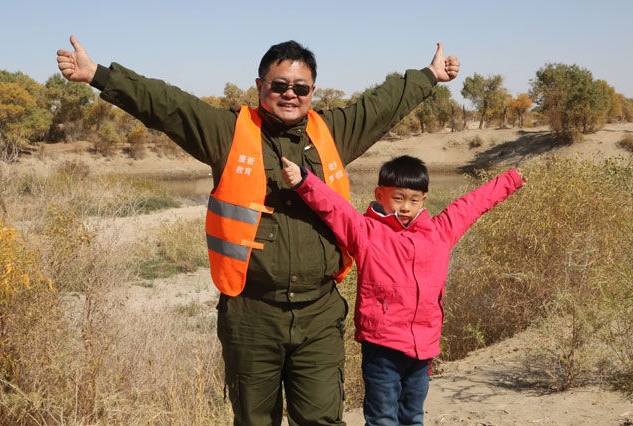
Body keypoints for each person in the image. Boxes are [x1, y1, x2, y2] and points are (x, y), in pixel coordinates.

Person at [56, 35, 460, 425]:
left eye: (300, 87)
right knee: (254, 420)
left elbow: (382, 104)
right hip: (251, 314)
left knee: (321, 418)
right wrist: (99, 76)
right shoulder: (227, 132)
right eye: (279, 85)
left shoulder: (332, 133)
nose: (290, 94)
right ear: (259, 85)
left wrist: (429, 75)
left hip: (319, 313)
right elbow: (166, 105)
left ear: (313, 90)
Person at [281, 155, 526, 425]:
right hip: (382, 347)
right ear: (380, 195)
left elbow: (471, 205)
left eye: (413, 199)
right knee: (383, 417)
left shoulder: (439, 232)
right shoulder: (367, 232)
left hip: (423, 349)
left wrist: (510, 180)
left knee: (412, 415)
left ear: (424, 199)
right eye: (398, 198)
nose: (405, 207)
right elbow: (336, 209)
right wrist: (304, 181)